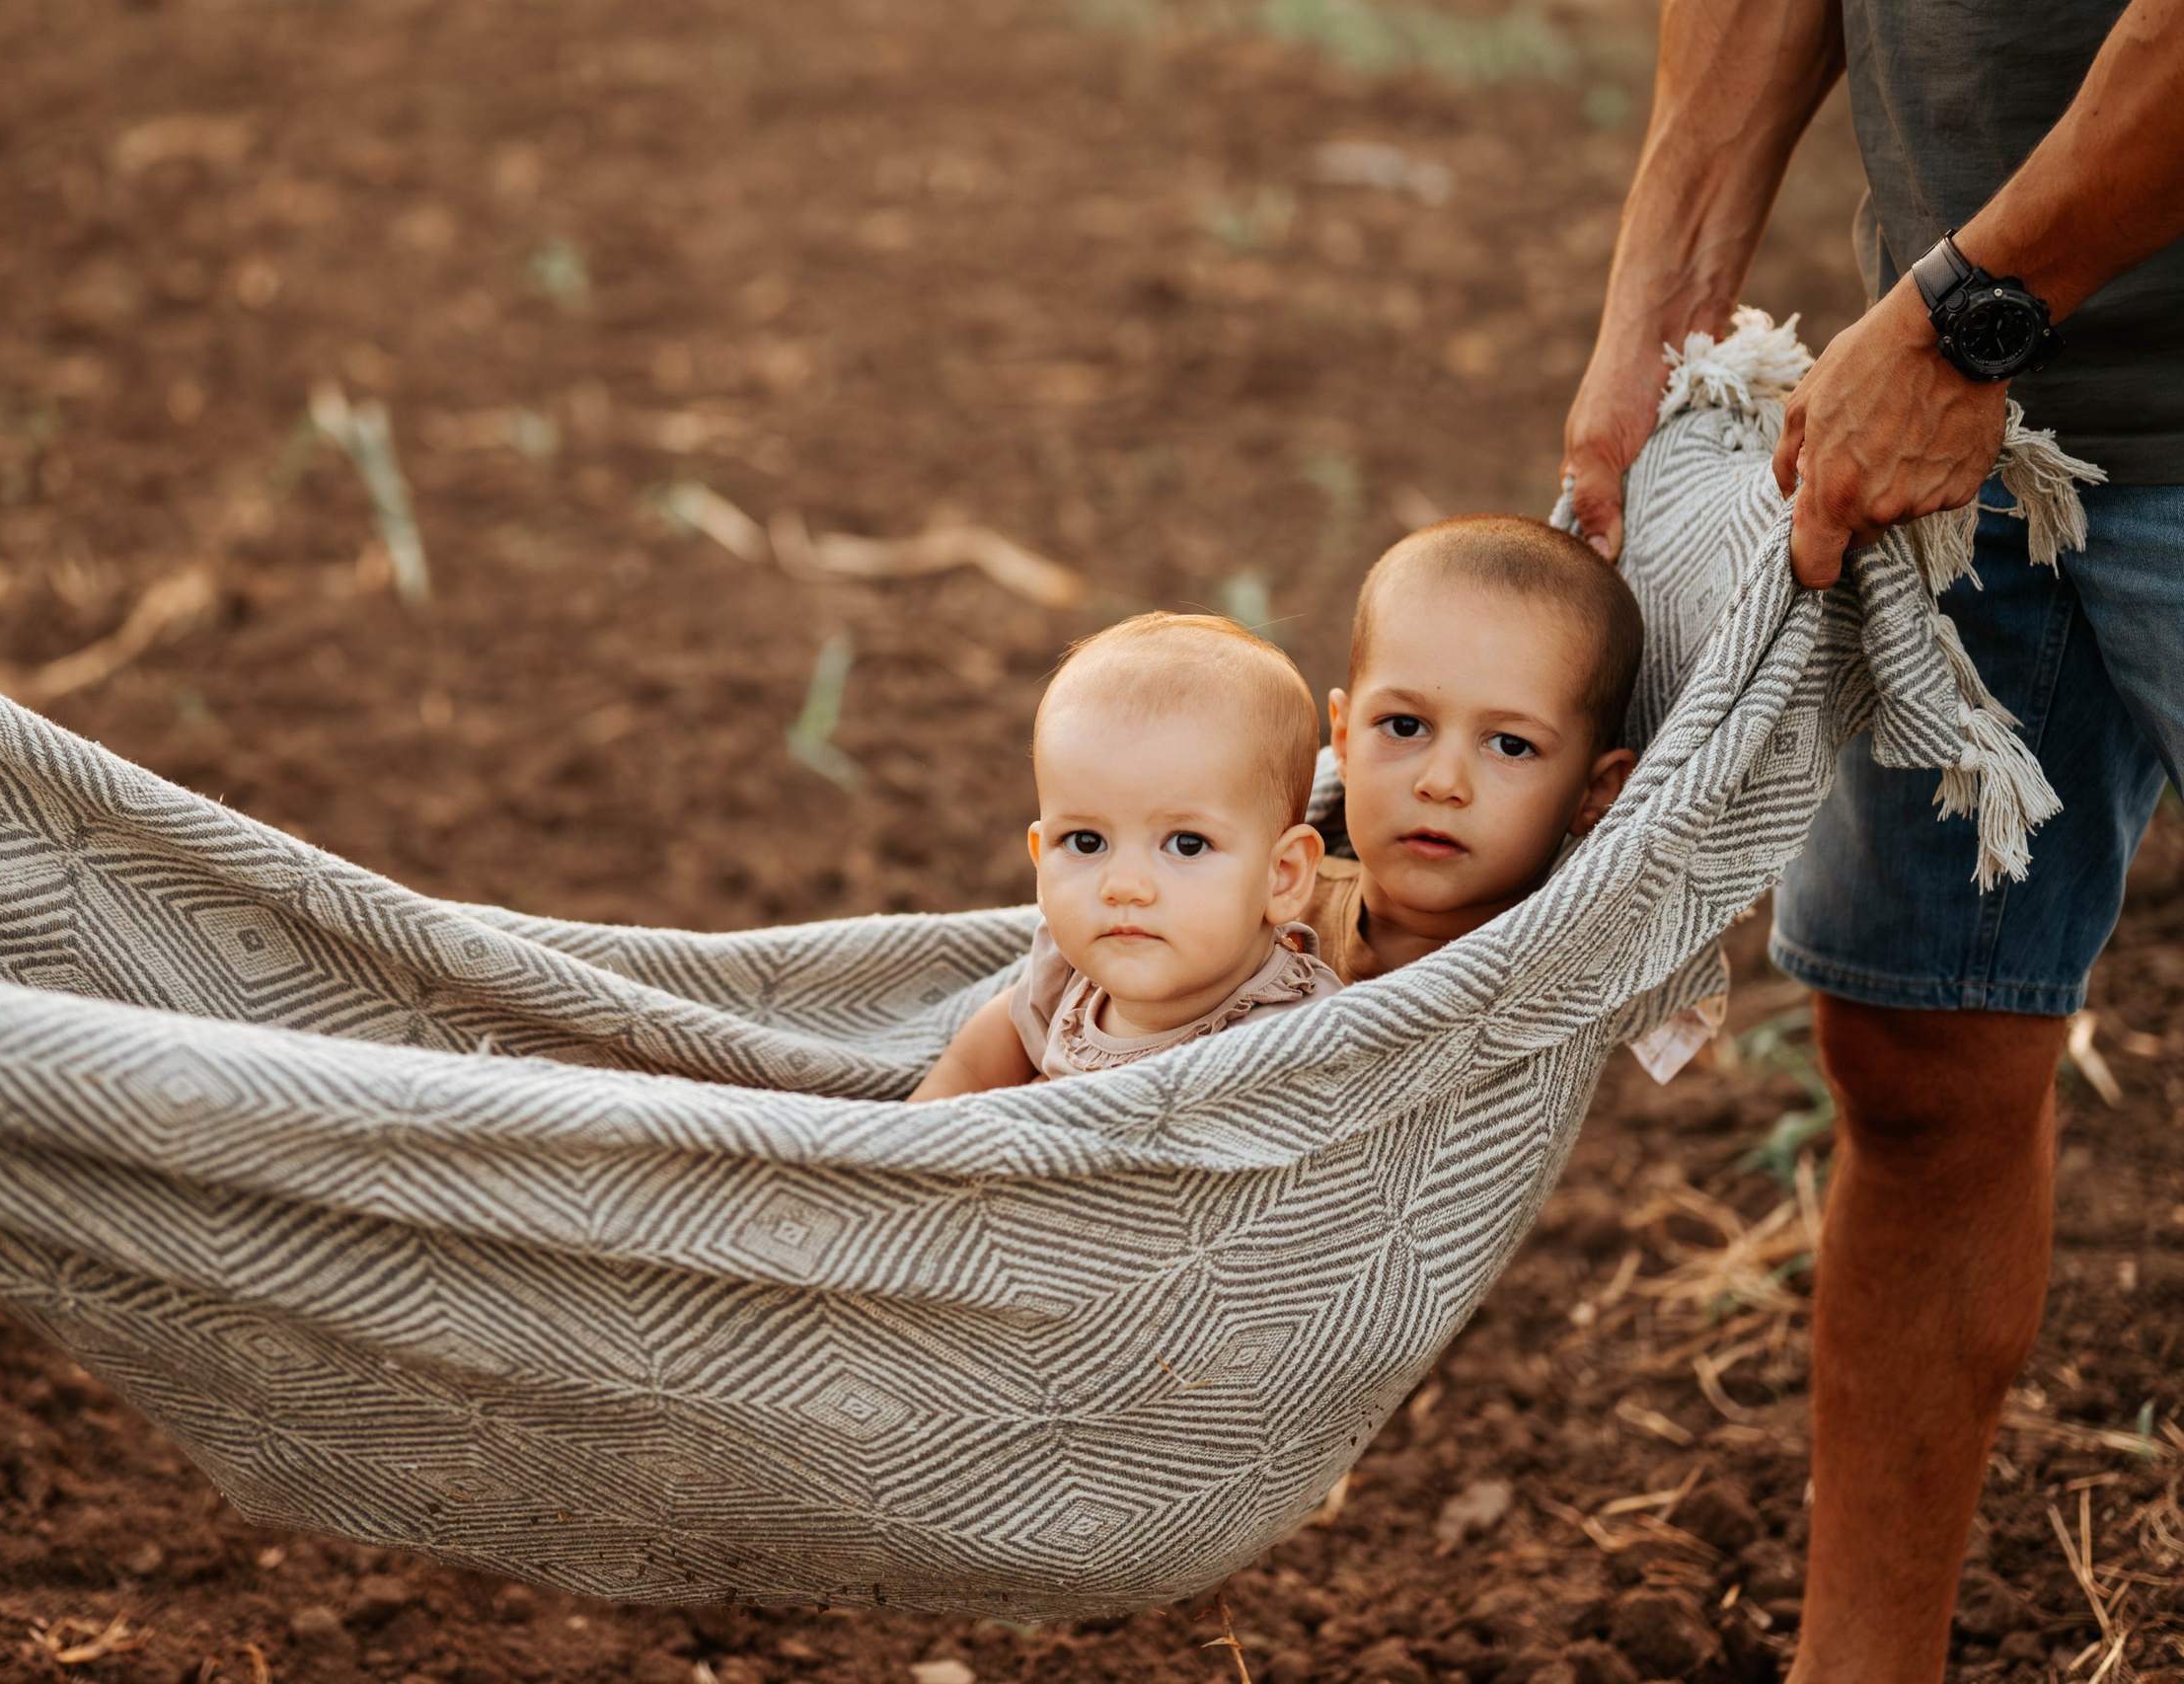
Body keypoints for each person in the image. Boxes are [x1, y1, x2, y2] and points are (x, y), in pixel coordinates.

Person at [1560, 0, 2184, 1675]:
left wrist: (1967, 319)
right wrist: (1668, 304)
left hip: (1968, 342)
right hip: (1959, 392)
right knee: (1919, 1049)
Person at [911, 519, 1639, 1098]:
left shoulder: (1555, 974)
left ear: (1597, 792)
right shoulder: (1238, 905)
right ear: (1345, 741)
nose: (1442, 781)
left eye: (1510, 745)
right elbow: (995, 1046)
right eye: (1406, 726)